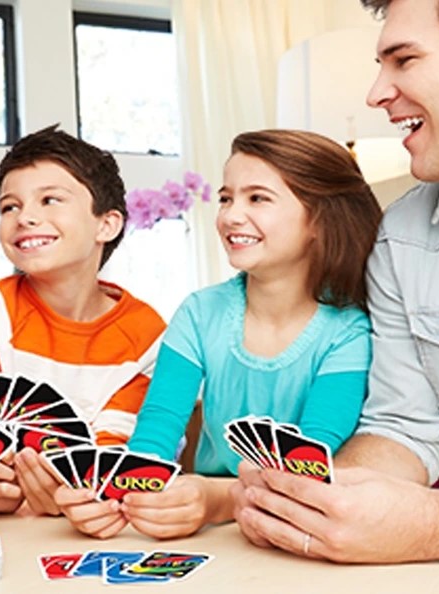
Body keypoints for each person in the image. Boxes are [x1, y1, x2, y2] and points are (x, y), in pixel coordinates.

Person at [232, 0, 439, 563]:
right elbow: (403, 428)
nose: (376, 93)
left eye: (403, 60)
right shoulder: (404, 235)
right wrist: (307, 498)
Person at [55, 129, 383, 539]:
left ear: (319, 218)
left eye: (257, 198)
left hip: (303, 523)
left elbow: (311, 462)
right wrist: (117, 494)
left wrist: (216, 499)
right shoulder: (198, 312)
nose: (229, 215)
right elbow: (157, 429)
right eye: (226, 198)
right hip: (213, 526)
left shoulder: (349, 332)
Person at [0, 125, 166, 516]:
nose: (25, 217)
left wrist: (74, 494)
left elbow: (114, 458)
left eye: (50, 200)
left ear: (106, 224)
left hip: (96, 524)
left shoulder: (146, 334)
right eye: (9, 206)